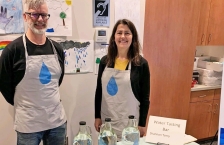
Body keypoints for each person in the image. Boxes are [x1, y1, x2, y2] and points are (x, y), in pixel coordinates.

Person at [0, 0, 67, 144]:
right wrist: (26, 105)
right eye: (35, 15)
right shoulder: (12, 50)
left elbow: (57, 80)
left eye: (43, 15)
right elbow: (4, 86)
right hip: (28, 125)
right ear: (25, 16)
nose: (40, 19)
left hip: (57, 122)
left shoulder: (58, 49)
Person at [94, 19, 150, 140]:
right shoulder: (105, 61)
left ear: (133, 37)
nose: (123, 36)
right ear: (114, 36)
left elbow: (145, 98)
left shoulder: (141, 64)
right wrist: (97, 116)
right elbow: (99, 91)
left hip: (129, 123)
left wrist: (142, 124)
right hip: (107, 121)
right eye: (119, 33)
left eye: (127, 33)